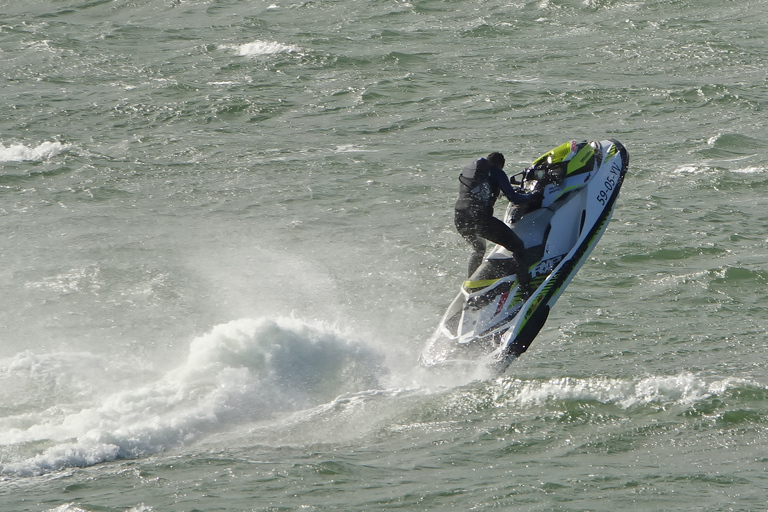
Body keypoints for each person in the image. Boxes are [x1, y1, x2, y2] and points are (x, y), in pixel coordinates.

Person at [454, 152, 538, 294]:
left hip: (460, 217)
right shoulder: (496, 171)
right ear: (501, 164)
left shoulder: (472, 170)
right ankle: (525, 290)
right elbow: (514, 198)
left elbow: (482, 191)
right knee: (518, 247)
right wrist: (533, 196)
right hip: (478, 217)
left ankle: (472, 286)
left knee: (478, 248)